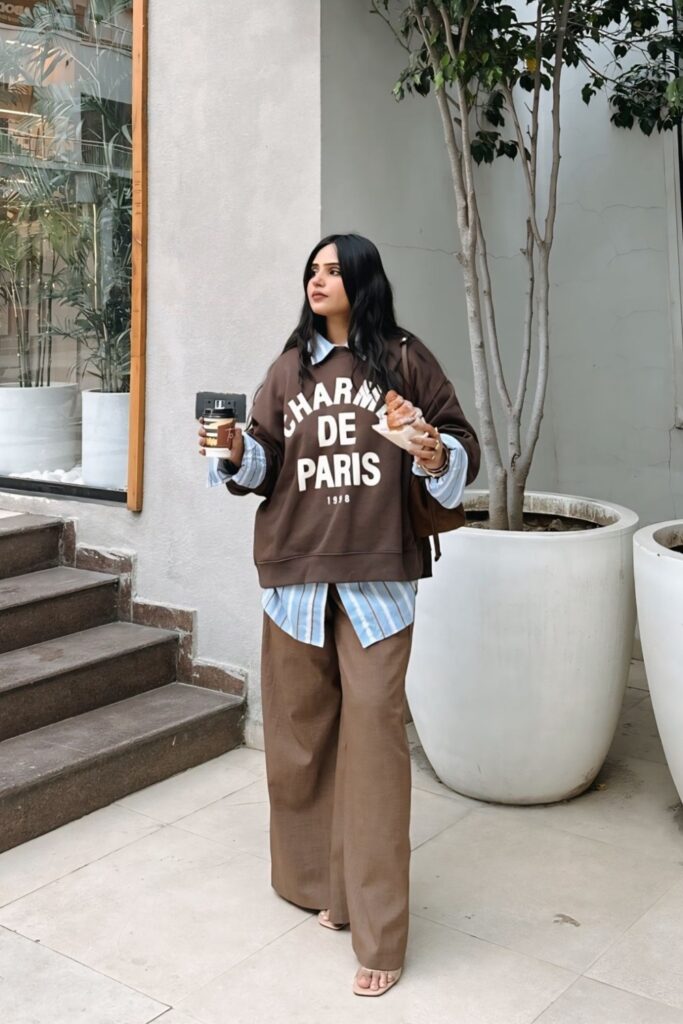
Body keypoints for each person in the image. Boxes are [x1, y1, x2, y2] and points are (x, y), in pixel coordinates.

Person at [198, 232, 480, 997]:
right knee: (299, 745)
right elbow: (263, 461)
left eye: (331, 269)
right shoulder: (287, 367)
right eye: (311, 270)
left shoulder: (404, 357)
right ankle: (328, 889)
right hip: (295, 579)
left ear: (362, 279)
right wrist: (230, 452)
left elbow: (458, 447)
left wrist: (429, 450)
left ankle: (381, 935)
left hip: (378, 581)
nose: (317, 279)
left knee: (375, 748)